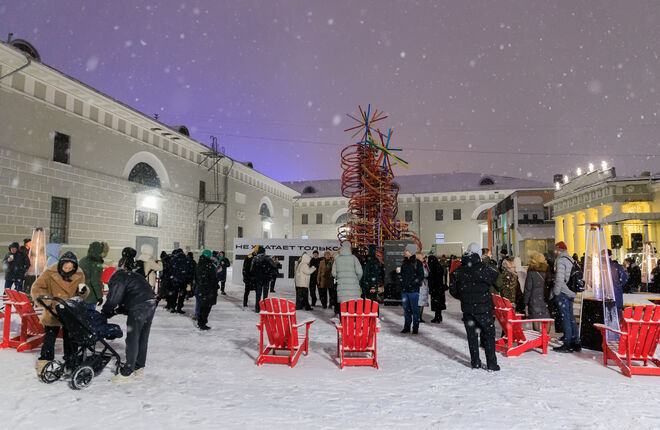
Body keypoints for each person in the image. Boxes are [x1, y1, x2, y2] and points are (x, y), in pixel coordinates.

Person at [31, 251, 88, 377]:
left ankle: (71, 361)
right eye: (65, 267)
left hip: (70, 311)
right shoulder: (50, 272)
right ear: (60, 264)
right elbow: (37, 288)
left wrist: (83, 291)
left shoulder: (79, 274)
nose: (67, 270)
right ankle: (44, 362)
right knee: (49, 338)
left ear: (74, 267)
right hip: (53, 310)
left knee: (70, 338)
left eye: (70, 268)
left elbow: (81, 295)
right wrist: (48, 301)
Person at [449, 243, 500, 371]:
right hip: (484, 308)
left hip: (468, 308)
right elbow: (497, 279)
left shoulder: (458, 271)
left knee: (472, 336)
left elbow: (453, 290)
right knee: (488, 335)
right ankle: (492, 364)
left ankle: (475, 362)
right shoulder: (484, 269)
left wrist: (465, 297)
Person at [102, 265, 157, 380]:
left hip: (139, 306)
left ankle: (127, 371)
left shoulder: (117, 278)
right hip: (150, 303)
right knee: (142, 337)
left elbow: (113, 299)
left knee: (133, 338)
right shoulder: (131, 276)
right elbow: (129, 298)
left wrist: (105, 311)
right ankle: (139, 367)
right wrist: (116, 311)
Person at [552, 241, 581, 353]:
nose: (554, 251)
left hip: (563, 292)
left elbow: (559, 279)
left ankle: (567, 343)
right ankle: (576, 341)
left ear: (559, 250)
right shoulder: (570, 259)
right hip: (571, 291)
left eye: (556, 249)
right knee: (571, 317)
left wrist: (556, 292)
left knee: (565, 318)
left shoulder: (560, 260)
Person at [331, 242, 363, 316]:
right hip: (353, 288)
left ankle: (343, 322)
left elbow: (334, 273)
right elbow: (359, 272)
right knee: (353, 307)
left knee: (343, 306)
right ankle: (354, 322)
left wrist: (339, 278)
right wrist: (356, 280)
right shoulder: (354, 258)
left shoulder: (337, 259)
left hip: (342, 287)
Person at [398, 244, 424, 334]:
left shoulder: (418, 263)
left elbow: (421, 276)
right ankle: (407, 327)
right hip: (405, 290)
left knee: (414, 309)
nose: (404, 252)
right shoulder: (404, 263)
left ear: (411, 252)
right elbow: (402, 276)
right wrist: (399, 275)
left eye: (406, 250)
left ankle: (415, 327)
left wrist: (412, 283)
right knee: (406, 310)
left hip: (413, 291)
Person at [523, 252, 551, 331]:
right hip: (545, 297)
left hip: (534, 298)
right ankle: (545, 337)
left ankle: (537, 337)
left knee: (536, 318)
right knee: (546, 318)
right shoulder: (547, 269)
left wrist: (525, 301)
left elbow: (528, 288)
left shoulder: (531, 271)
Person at [195, 250, 219, 330]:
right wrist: (215, 285)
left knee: (202, 306)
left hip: (201, 289)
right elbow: (212, 278)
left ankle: (200, 322)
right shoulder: (209, 265)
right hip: (208, 289)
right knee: (206, 307)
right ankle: (202, 323)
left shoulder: (199, 264)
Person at [78, 241, 105, 310]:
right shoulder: (95, 264)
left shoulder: (83, 260)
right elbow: (95, 281)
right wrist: (99, 296)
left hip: (80, 293)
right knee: (89, 317)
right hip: (90, 296)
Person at [250, 246, 278, 312]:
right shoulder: (268, 258)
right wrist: (269, 274)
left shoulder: (255, 258)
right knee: (265, 294)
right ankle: (264, 308)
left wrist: (255, 275)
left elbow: (251, 270)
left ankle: (257, 308)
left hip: (258, 278)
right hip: (266, 278)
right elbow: (274, 266)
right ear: (264, 251)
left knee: (258, 294)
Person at [169, 248, 192, 314]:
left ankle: (173, 307)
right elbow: (189, 270)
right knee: (182, 295)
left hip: (175, 280)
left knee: (174, 294)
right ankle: (179, 308)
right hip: (184, 280)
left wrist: (174, 276)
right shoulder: (187, 259)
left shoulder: (173, 259)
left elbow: (171, 269)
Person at [609, 249, 628, 318]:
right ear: (611, 256)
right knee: (616, 316)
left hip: (604, 297)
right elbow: (624, 279)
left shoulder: (600, 267)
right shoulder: (616, 266)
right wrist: (618, 285)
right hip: (616, 295)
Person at [427, 255, 446, 323]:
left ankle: (437, 317)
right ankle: (438, 316)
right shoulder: (438, 266)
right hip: (439, 288)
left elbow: (433, 278)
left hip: (436, 288)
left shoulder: (434, 268)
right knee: (438, 303)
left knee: (436, 303)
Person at [416, 252, 430, 323]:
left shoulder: (417, 264)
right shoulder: (420, 265)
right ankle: (419, 317)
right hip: (422, 285)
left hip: (421, 285)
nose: (423, 258)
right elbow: (426, 274)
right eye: (422, 257)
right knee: (421, 302)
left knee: (420, 302)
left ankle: (418, 317)